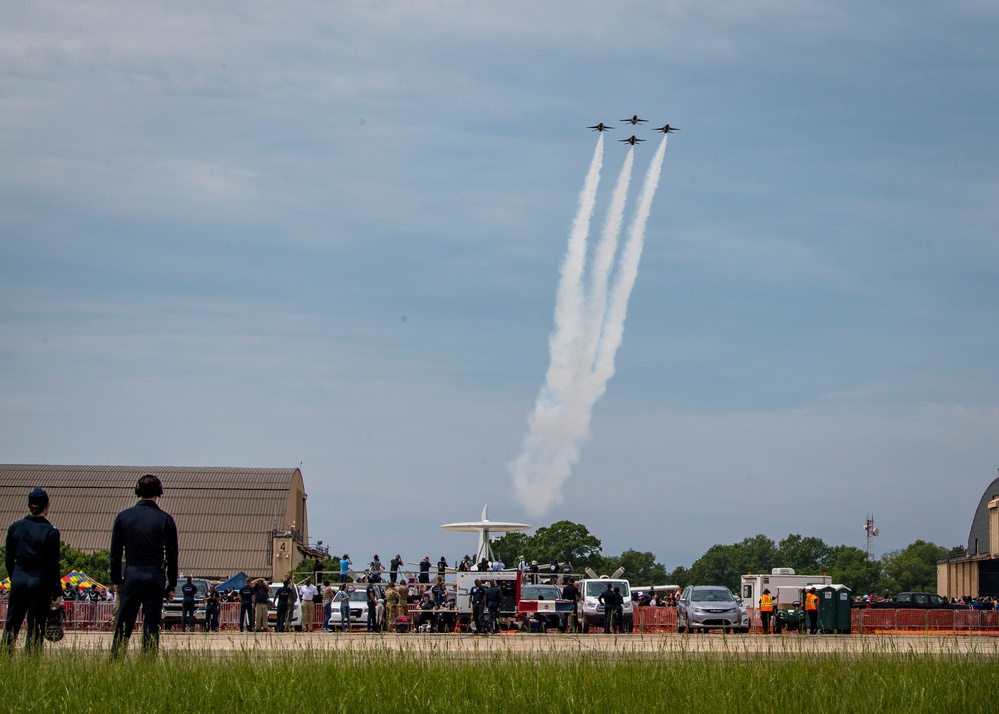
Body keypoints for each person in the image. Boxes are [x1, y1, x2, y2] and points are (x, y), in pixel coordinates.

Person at [110, 474, 179, 657]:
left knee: (124, 623)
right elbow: (172, 555)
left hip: (132, 574)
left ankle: (116, 658)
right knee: (151, 624)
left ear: (137, 492)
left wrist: (117, 580)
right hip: (154, 575)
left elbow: (115, 554)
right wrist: (171, 584)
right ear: (159, 492)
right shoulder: (165, 519)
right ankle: (147, 662)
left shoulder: (123, 517)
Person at [2, 487, 61, 653]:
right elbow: (53, 564)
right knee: (35, 627)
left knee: (12, 624)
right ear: (47, 506)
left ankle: (5, 658)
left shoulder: (15, 527)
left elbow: (8, 559)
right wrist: (56, 590)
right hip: (39, 581)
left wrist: (15, 577)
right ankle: (32, 662)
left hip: (19, 576)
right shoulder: (51, 531)